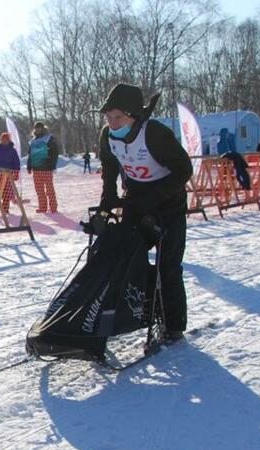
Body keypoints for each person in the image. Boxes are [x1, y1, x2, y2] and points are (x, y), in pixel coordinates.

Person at [96, 82, 193, 342]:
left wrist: (156, 196)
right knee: (126, 259)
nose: (112, 122)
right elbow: (109, 166)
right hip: (136, 202)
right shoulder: (107, 136)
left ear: (133, 116)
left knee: (168, 266)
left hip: (169, 204)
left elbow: (184, 170)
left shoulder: (154, 134)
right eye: (108, 117)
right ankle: (130, 313)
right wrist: (108, 196)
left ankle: (174, 326)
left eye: (118, 117)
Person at [27, 121, 60, 213]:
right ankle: (42, 207)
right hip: (36, 168)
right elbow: (30, 154)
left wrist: (53, 165)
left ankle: (53, 207)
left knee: (49, 189)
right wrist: (29, 166)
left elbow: (55, 152)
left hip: (46, 167)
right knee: (39, 190)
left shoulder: (49, 138)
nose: (37, 130)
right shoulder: (33, 141)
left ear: (43, 128)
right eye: (36, 128)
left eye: (39, 128)